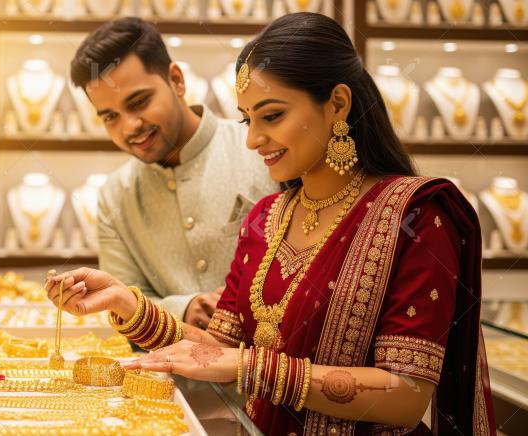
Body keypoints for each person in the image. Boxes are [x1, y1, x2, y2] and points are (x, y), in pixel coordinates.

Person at [48, 12, 495, 435]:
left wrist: (249, 367)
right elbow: (218, 350)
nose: (252, 139)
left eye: (273, 116)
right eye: (247, 119)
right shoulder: (266, 217)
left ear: (338, 104)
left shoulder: (416, 214)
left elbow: (406, 395)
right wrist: (128, 303)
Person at [69, 17, 277, 329]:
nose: (129, 127)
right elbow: (118, 301)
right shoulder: (114, 195)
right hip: (161, 362)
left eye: (139, 102)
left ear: (176, 80)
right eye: (110, 117)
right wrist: (184, 309)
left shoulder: (262, 150)